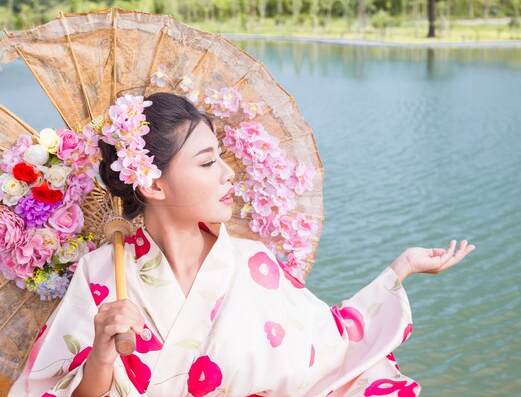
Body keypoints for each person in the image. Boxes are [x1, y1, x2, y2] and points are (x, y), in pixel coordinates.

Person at [8, 92, 475, 397]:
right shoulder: (99, 275)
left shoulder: (252, 262)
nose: (228, 174)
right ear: (152, 185)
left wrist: (399, 271)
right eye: (208, 162)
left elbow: (333, 348)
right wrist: (102, 355)